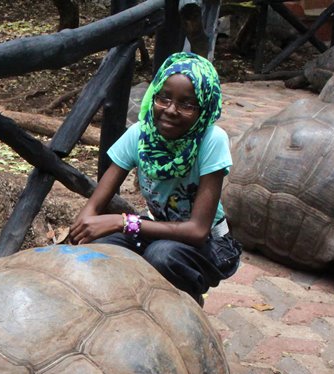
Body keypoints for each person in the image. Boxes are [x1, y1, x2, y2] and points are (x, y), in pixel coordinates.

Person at [70, 52, 241, 306]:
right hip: (159, 231)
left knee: (161, 256)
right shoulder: (140, 134)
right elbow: (92, 207)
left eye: (187, 104)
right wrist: (82, 233)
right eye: (164, 98)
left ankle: (188, 306)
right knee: (98, 246)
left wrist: (121, 221)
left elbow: (197, 231)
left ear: (203, 107)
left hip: (210, 243)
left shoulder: (211, 140)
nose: (171, 110)